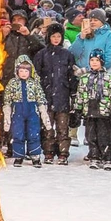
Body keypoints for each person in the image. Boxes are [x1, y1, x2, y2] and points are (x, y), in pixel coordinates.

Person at [33, 23, 77, 165]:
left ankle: (63, 152)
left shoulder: (67, 55)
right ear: (49, 37)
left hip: (63, 95)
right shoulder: (42, 54)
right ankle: (48, 151)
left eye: (59, 36)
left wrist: (73, 93)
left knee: (63, 127)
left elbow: (71, 75)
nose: (56, 39)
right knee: (47, 127)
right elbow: (37, 75)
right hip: (46, 95)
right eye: (53, 36)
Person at [2, 55, 52, 168]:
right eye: (21, 70)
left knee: (33, 133)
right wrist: (7, 115)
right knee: (18, 133)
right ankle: (18, 155)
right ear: (17, 71)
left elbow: (41, 98)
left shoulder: (34, 83)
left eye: (26, 70)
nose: (24, 73)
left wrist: (44, 113)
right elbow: (7, 100)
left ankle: (35, 155)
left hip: (32, 112)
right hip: (17, 112)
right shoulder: (12, 83)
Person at [76, 48, 111, 170]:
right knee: (91, 136)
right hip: (90, 110)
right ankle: (94, 156)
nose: (94, 62)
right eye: (92, 60)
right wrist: (77, 109)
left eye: (97, 60)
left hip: (103, 112)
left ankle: (108, 157)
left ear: (102, 61)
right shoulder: (85, 78)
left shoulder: (108, 77)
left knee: (104, 136)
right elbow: (80, 94)